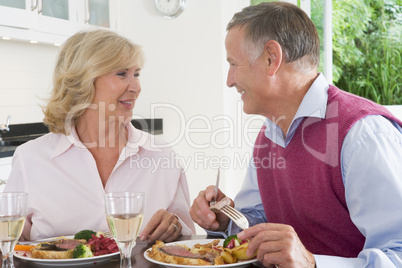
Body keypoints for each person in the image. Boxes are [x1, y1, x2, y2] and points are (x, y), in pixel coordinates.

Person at [190, 2, 402, 268]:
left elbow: (399, 253)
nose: (229, 80)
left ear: (271, 58)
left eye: (234, 64)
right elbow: (258, 221)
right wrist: (225, 221)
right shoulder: (268, 134)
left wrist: (313, 263)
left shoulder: (363, 135)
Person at [5, 29, 195, 242]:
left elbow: (187, 238)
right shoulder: (31, 159)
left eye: (137, 74)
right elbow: (11, 245)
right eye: (121, 74)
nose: (136, 87)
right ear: (83, 80)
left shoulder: (161, 155)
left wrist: (174, 226)